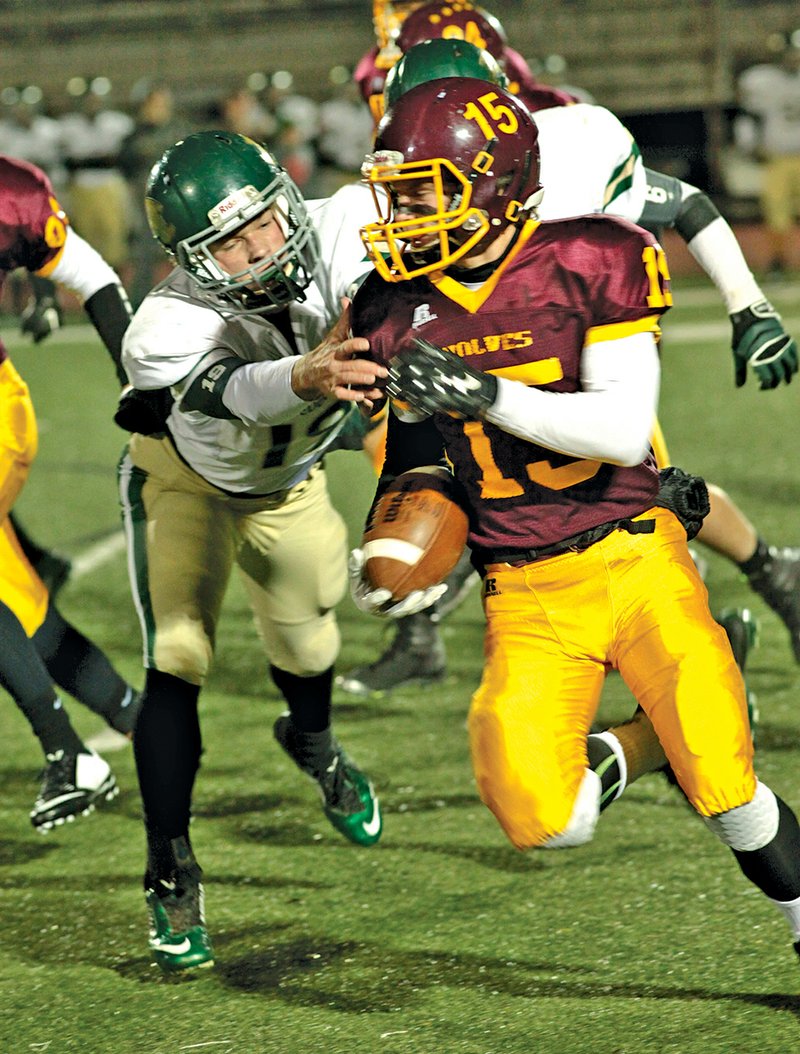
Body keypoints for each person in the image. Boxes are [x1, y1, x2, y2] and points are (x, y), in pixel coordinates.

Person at [349, 78, 800, 964]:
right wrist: (396, 543)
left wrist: (483, 391)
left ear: (491, 181)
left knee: (728, 787)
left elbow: (622, 431)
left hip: (634, 558)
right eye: (394, 192)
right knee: (543, 821)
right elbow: (418, 460)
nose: (400, 214)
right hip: (524, 593)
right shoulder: (390, 307)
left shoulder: (594, 257)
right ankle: (642, 744)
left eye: (421, 191)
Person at [337, 28, 800, 697]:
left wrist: (748, 303)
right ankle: (424, 629)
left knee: (634, 506)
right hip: (472, 358)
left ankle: (745, 604)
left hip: (577, 363)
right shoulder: (408, 187)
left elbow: (684, 203)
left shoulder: (568, 151)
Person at [117, 131, 387, 974]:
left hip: (291, 485)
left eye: (265, 222)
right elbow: (237, 393)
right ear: (192, 258)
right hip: (185, 483)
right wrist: (305, 378)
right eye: (230, 243)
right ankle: (170, 866)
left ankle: (311, 743)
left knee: (312, 643)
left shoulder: (345, 225)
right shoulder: (164, 323)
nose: (262, 249)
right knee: (179, 652)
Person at [0, 154, 140, 830]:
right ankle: (140, 719)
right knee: (22, 611)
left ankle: (70, 757)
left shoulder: (10, 194)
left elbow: (91, 274)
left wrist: (137, 381)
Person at [737, 34, 800, 277]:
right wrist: (749, 145)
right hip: (778, 158)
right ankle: (778, 263)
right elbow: (748, 117)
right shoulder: (761, 80)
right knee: (776, 214)